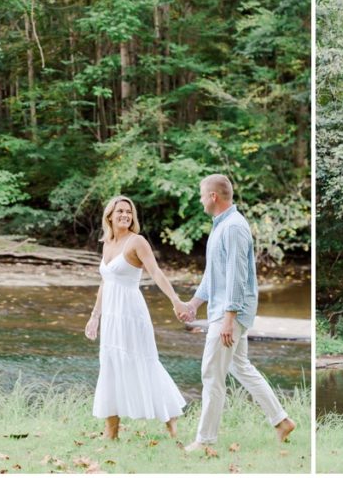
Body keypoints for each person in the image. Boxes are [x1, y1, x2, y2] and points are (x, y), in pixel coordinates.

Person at [178, 174, 296, 452]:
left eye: (201, 194)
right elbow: (214, 274)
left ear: (213, 197)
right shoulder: (220, 226)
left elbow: (236, 277)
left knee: (211, 374)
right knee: (239, 366)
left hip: (229, 314)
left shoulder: (233, 228)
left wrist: (229, 319)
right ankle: (282, 421)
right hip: (222, 311)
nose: (199, 199)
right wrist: (195, 304)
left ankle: (205, 441)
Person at [85, 195, 188, 440]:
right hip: (111, 315)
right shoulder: (107, 243)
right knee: (110, 365)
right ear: (109, 215)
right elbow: (105, 281)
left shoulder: (137, 242)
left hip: (131, 313)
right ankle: (112, 432)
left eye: (129, 212)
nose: (125, 215)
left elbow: (156, 273)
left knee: (144, 362)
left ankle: (171, 423)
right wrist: (94, 316)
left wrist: (176, 301)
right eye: (120, 211)